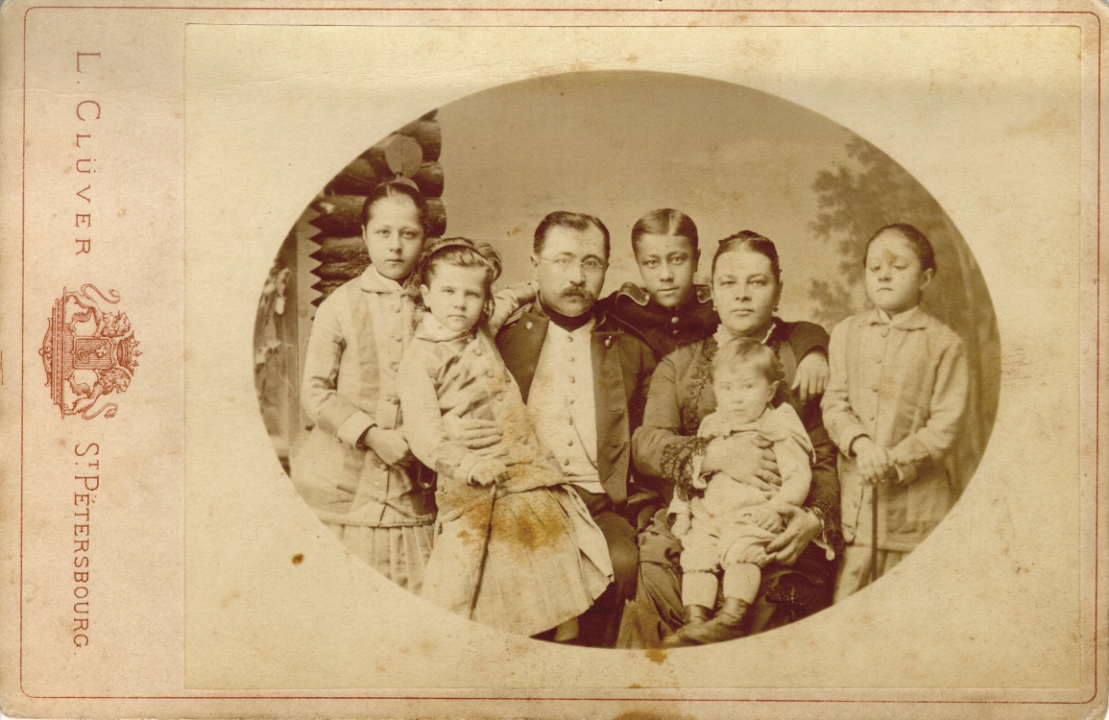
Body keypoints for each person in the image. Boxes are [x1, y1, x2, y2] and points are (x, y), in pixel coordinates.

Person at [620, 230, 842, 648]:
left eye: (757, 282)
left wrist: (813, 519)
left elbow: (824, 459)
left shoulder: (801, 360)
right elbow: (646, 444)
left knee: (776, 585)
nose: (742, 295)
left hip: (772, 517)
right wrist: (715, 455)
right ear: (712, 291)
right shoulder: (679, 364)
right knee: (659, 567)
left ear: (778, 290)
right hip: (700, 516)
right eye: (728, 282)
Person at [397, 238, 612, 639]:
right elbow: (424, 435)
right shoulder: (420, 359)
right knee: (482, 576)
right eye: (448, 291)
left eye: (471, 294)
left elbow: (509, 298)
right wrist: (469, 465)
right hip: (472, 483)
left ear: (484, 301)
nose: (459, 304)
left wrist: (538, 285)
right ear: (426, 294)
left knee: (556, 550)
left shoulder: (481, 330)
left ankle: (567, 641)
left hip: (526, 470)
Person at [489, 211, 657, 648]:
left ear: (605, 268)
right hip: (517, 497)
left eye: (591, 263)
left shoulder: (630, 348)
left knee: (623, 561)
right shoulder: (501, 339)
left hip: (598, 504)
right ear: (535, 265)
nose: (577, 277)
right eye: (562, 260)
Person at [290, 181, 436, 592]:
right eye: (383, 232)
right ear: (364, 235)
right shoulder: (339, 305)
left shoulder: (437, 307)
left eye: (408, 234)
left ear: (424, 238)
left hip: (414, 489)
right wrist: (372, 435)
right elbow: (315, 392)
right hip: (343, 492)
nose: (395, 246)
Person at [822, 224, 968, 601]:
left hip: (917, 512)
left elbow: (945, 426)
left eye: (898, 267)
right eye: (875, 268)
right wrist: (862, 446)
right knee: (849, 602)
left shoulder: (944, 343)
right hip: (857, 505)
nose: (884, 275)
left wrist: (892, 460)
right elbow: (834, 403)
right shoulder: (846, 333)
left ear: (925, 278)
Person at [663, 338, 814, 646]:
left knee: (742, 552)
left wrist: (777, 508)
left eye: (748, 387)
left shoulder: (778, 424)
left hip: (753, 513)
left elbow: (798, 475)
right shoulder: (711, 424)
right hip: (709, 515)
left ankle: (731, 619)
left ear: (769, 391)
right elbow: (691, 473)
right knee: (697, 556)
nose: (737, 398)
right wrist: (682, 511)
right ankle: (696, 622)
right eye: (727, 388)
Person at [598, 209, 718, 359]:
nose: (666, 275)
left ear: (696, 260)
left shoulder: (718, 308)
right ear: (638, 264)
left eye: (677, 259)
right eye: (652, 262)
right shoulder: (617, 309)